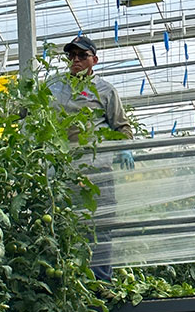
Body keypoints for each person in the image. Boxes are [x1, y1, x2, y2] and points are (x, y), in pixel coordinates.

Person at [47, 36, 134, 281]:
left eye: (82, 56)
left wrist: (124, 147)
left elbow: (122, 127)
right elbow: (28, 110)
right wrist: (4, 119)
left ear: (94, 60)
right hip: (61, 172)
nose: (75, 60)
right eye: (72, 55)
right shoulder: (53, 87)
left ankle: (100, 283)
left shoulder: (105, 90)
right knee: (62, 226)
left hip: (97, 171)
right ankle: (68, 283)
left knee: (101, 226)